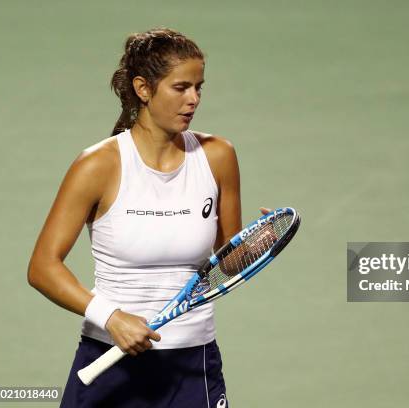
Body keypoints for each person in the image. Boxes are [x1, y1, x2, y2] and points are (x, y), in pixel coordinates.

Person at [28, 27, 263, 407]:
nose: (194, 99)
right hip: (109, 361)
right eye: (181, 87)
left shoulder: (218, 156)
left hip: (193, 363)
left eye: (199, 87)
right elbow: (42, 267)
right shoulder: (98, 165)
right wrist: (112, 317)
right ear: (143, 88)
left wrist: (257, 245)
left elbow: (226, 262)